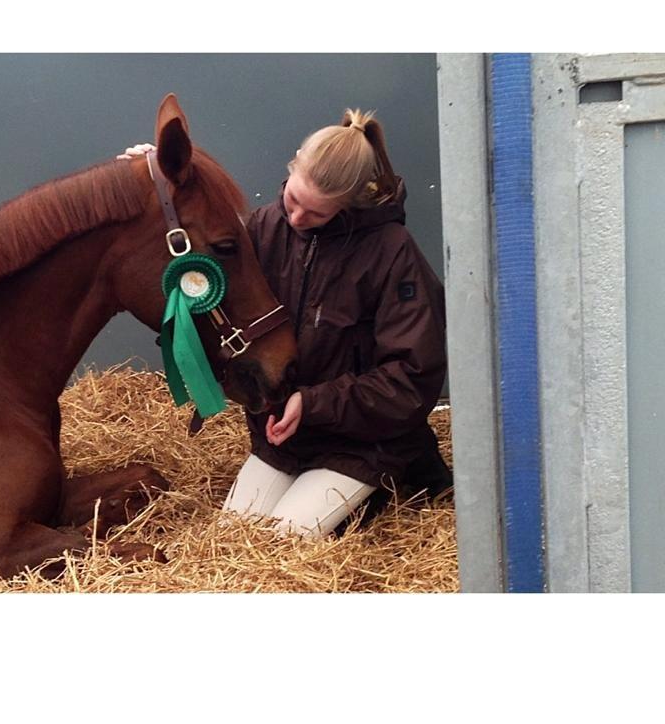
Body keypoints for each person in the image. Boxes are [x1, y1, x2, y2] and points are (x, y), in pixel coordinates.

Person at [123, 107, 450, 539]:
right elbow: (200, 243)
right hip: (284, 440)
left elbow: (414, 378)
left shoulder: (393, 253)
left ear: (349, 203)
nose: (296, 219)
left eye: (315, 214)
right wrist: (156, 181)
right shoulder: (264, 227)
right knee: (232, 539)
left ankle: (392, 483)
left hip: (362, 444)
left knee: (280, 545)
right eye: (292, 200)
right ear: (293, 162)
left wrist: (312, 404)